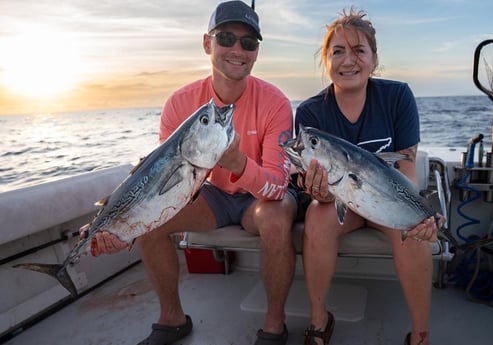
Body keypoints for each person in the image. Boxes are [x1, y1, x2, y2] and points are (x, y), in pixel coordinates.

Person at [87, 1, 297, 345]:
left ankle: (274, 326)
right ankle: (172, 320)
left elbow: (276, 186)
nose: (237, 50)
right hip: (208, 194)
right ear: (207, 43)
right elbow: (161, 180)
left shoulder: (274, 102)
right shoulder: (179, 103)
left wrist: (238, 165)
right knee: (151, 223)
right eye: (226, 37)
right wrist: (116, 223)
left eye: (249, 43)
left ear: (257, 52)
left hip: (257, 200)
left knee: (276, 217)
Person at [294, 9, 443, 345]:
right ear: (326, 60)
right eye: (338, 51)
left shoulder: (397, 97)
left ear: (374, 60)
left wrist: (421, 212)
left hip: (386, 202)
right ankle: (319, 321)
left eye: (359, 50)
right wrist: (322, 193)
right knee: (317, 217)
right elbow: (315, 186)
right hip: (340, 203)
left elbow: (406, 165)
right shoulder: (309, 114)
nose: (349, 60)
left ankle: (420, 334)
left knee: (416, 232)